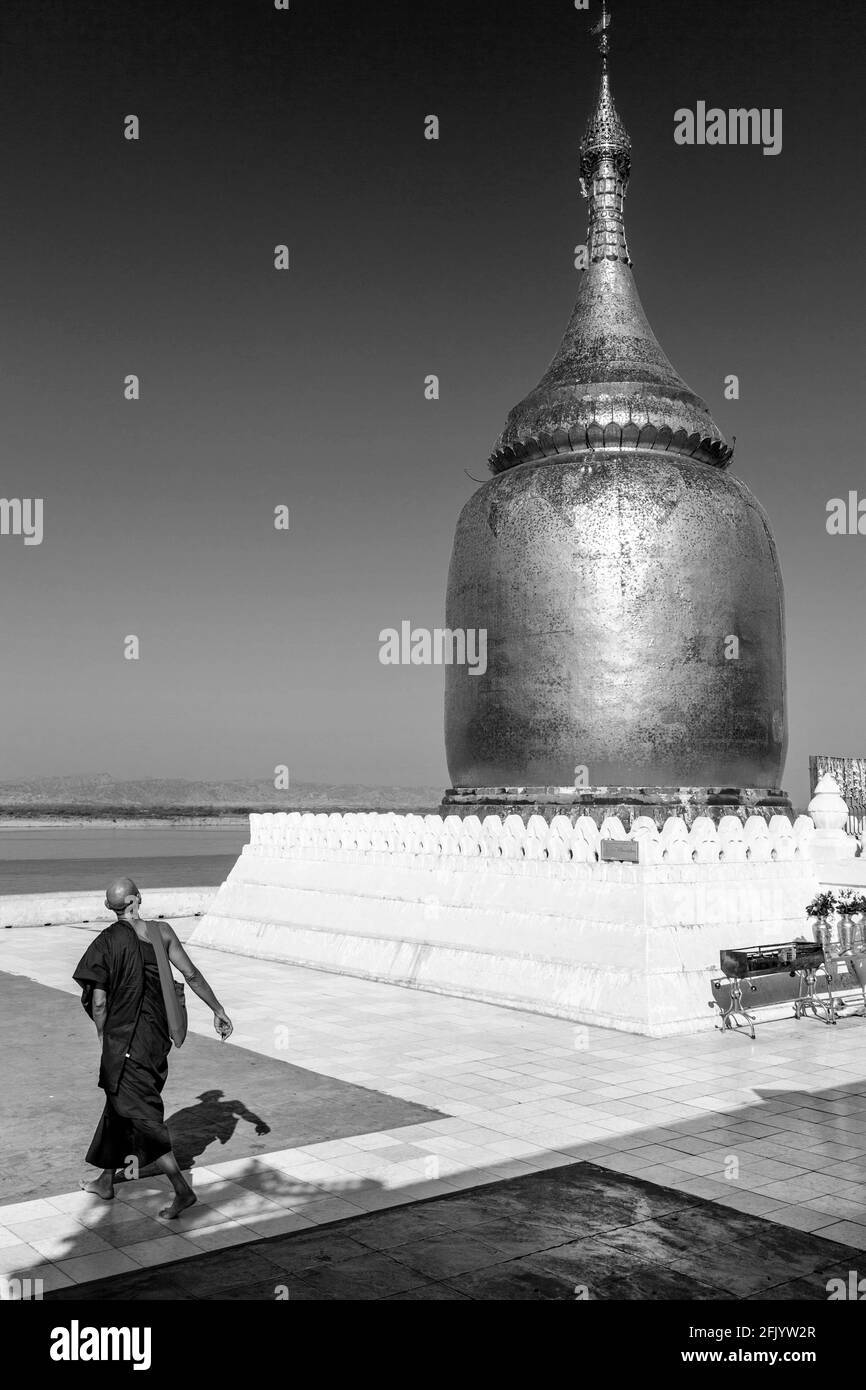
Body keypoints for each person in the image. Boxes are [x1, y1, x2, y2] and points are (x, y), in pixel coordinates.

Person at [72, 876, 234, 1219]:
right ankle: (105, 1181)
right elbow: (191, 975)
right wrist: (217, 1010)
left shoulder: (106, 942)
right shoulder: (162, 933)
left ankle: (182, 1190)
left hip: (126, 1044)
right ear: (138, 899)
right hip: (156, 1040)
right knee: (120, 1108)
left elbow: (98, 1002)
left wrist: (104, 1036)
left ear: (109, 907)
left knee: (143, 1118)